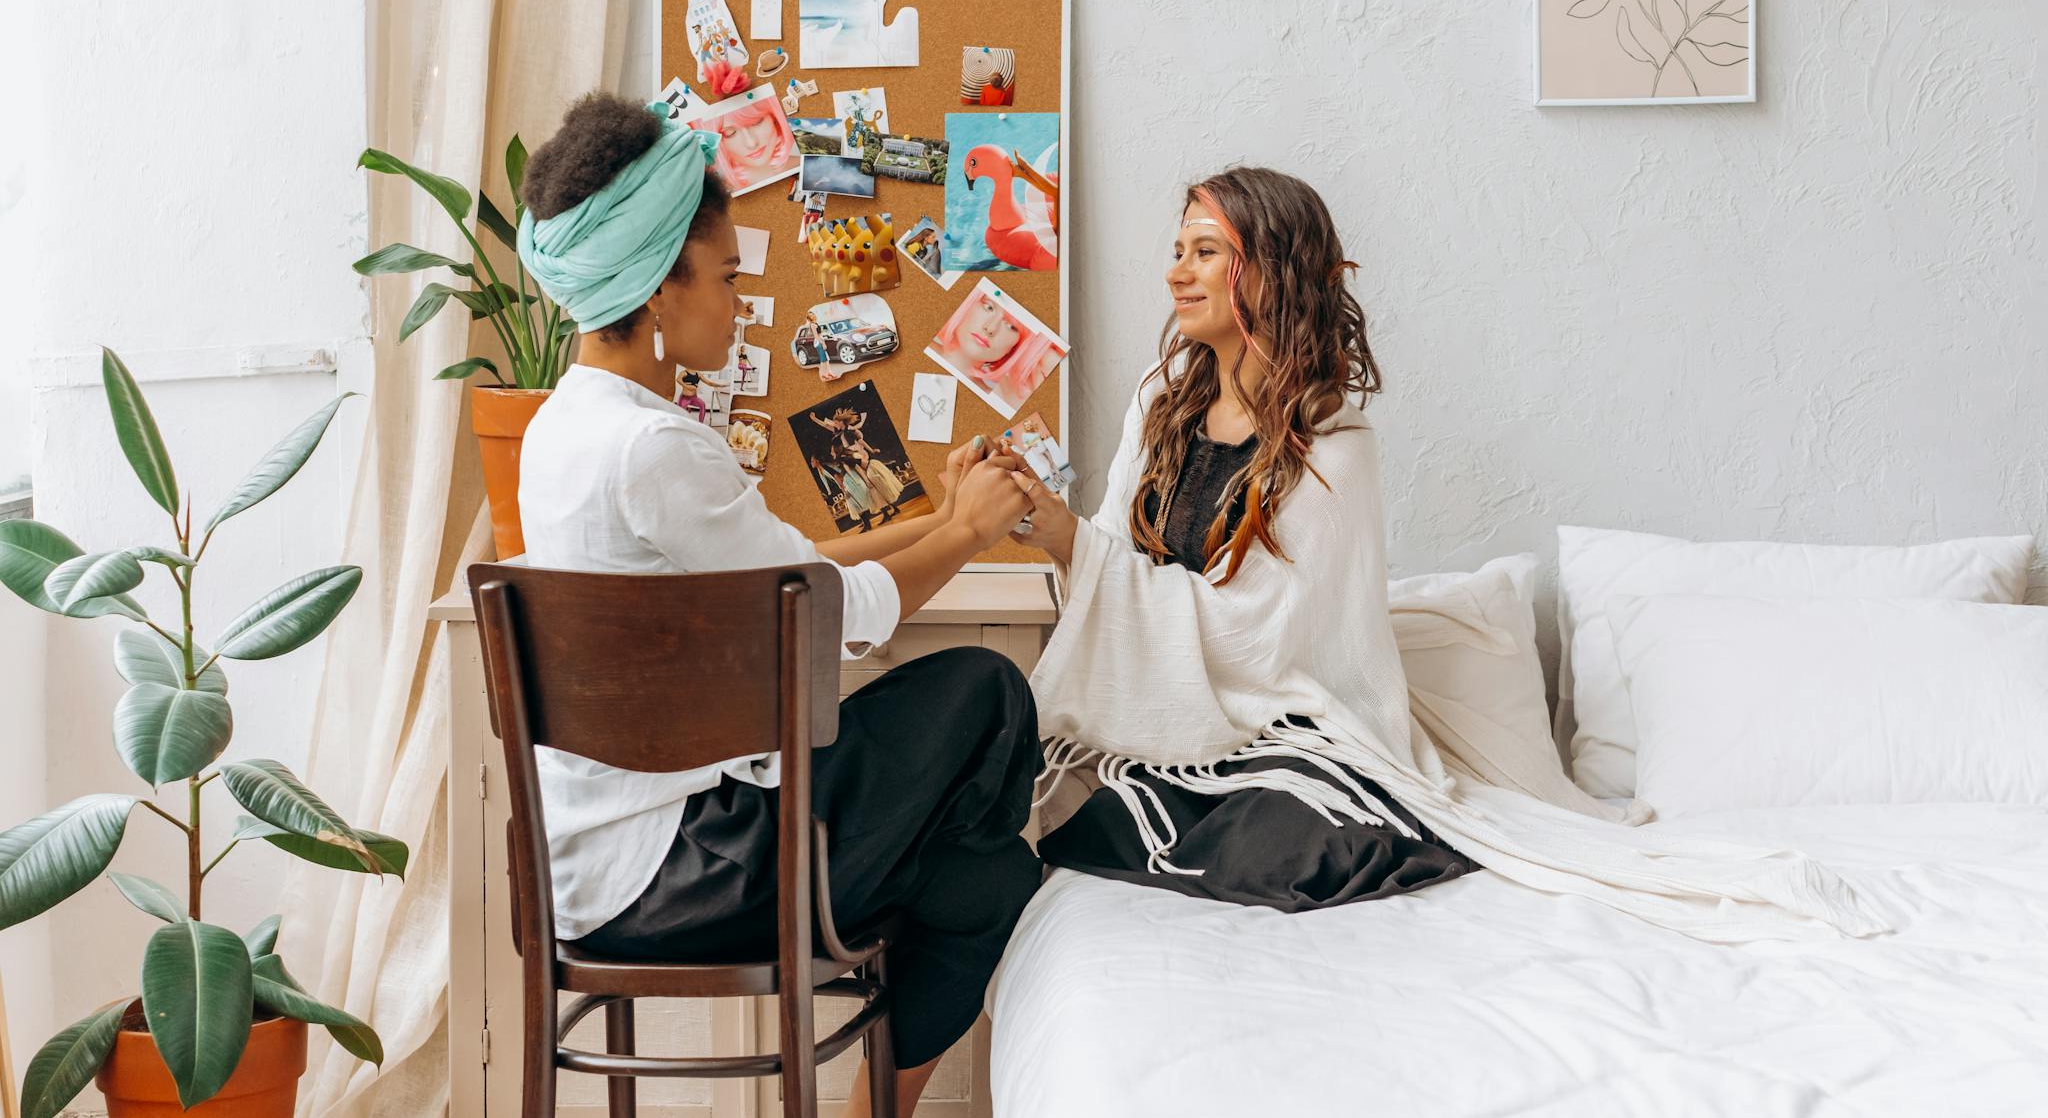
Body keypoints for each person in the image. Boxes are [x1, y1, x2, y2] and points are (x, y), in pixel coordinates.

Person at [1006, 166, 1892, 943]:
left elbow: (1264, 641)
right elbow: (1116, 558)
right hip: (1167, 719)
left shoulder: (1333, 447)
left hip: (1278, 727)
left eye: (1204, 250)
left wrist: (1070, 541)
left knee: (1303, 842)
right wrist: (1056, 530)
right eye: (1177, 248)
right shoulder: (1160, 403)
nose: (1175, 271)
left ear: (1268, 272)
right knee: (1109, 810)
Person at [515, 92, 1041, 1117]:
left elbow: (792, 566)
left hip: (586, 873)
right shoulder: (657, 446)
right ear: (658, 291)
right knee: (985, 689)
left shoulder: (563, 430)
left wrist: (935, 511)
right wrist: (971, 533)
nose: (739, 303)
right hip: (691, 871)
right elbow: (833, 611)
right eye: (724, 279)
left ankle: (887, 1044)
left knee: (984, 884)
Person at [929, 288, 1063, 416]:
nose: (991, 328)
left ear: (1016, 347)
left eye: (1011, 326)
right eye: (988, 307)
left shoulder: (999, 404)